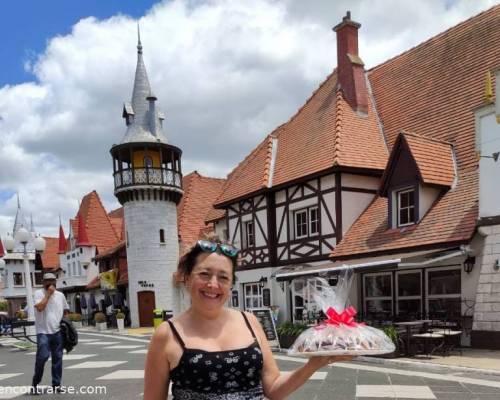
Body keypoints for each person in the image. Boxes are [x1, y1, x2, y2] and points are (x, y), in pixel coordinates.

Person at [144, 237, 353, 399]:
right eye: (204, 274)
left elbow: (273, 390)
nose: (213, 284)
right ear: (187, 278)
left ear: (231, 285)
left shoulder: (250, 322)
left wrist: (312, 365)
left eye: (223, 277)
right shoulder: (167, 334)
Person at [31, 272, 69, 393]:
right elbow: (40, 307)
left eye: (53, 281)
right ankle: (35, 383)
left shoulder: (60, 295)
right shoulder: (38, 293)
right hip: (42, 332)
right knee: (42, 357)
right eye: (48, 281)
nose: (51, 283)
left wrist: (65, 325)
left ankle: (56, 385)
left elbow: (66, 311)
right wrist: (48, 294)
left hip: (57, 332)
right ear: (43, 283)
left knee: (57, 359)